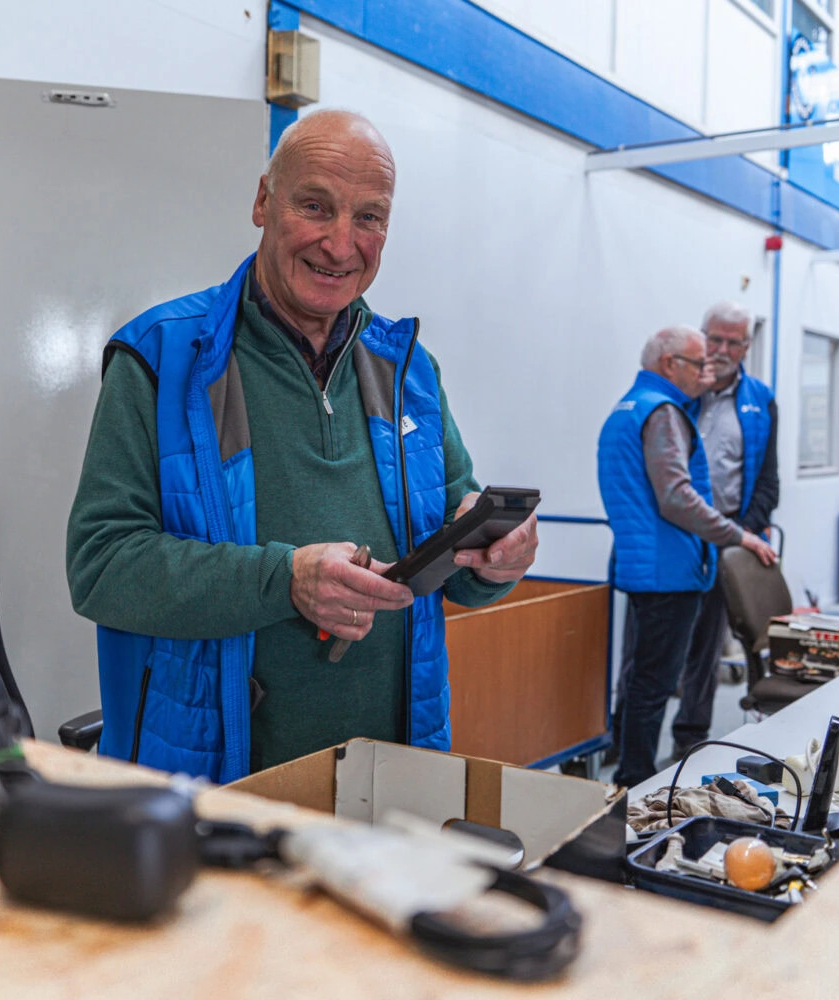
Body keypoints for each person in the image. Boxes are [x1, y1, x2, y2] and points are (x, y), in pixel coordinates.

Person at [65, 110, 537, 784]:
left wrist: (494, 561)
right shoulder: (161, 358)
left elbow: (453, 562)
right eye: (316, 206)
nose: (342, 246)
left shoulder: (410, 372)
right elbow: (101, 566)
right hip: (221, 785)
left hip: (394, 780)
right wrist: (286, 581)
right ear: (263, 201)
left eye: (369, 218)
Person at [598, 326, 776, 788]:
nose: (708, 371)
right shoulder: (662, 413)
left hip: (648, 565)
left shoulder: (629, 407)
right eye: (699, 363)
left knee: (642, 677)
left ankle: (629, 770)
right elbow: (677, 498)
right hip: (670, 571)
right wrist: (739, 536)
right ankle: (635, 779)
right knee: (653, 685)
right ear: (670, 364)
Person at [671, 302, 780, 755]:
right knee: (655, 635)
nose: (721, 350)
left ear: (747, 346)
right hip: (674, 533)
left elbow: (768, 483)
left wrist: (742, 535)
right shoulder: (677, 393)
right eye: (713, 339)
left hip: (728, 534)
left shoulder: (760, 400)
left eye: (733, 342)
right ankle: (627, 732)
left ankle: (689, 735)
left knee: (707, 641)